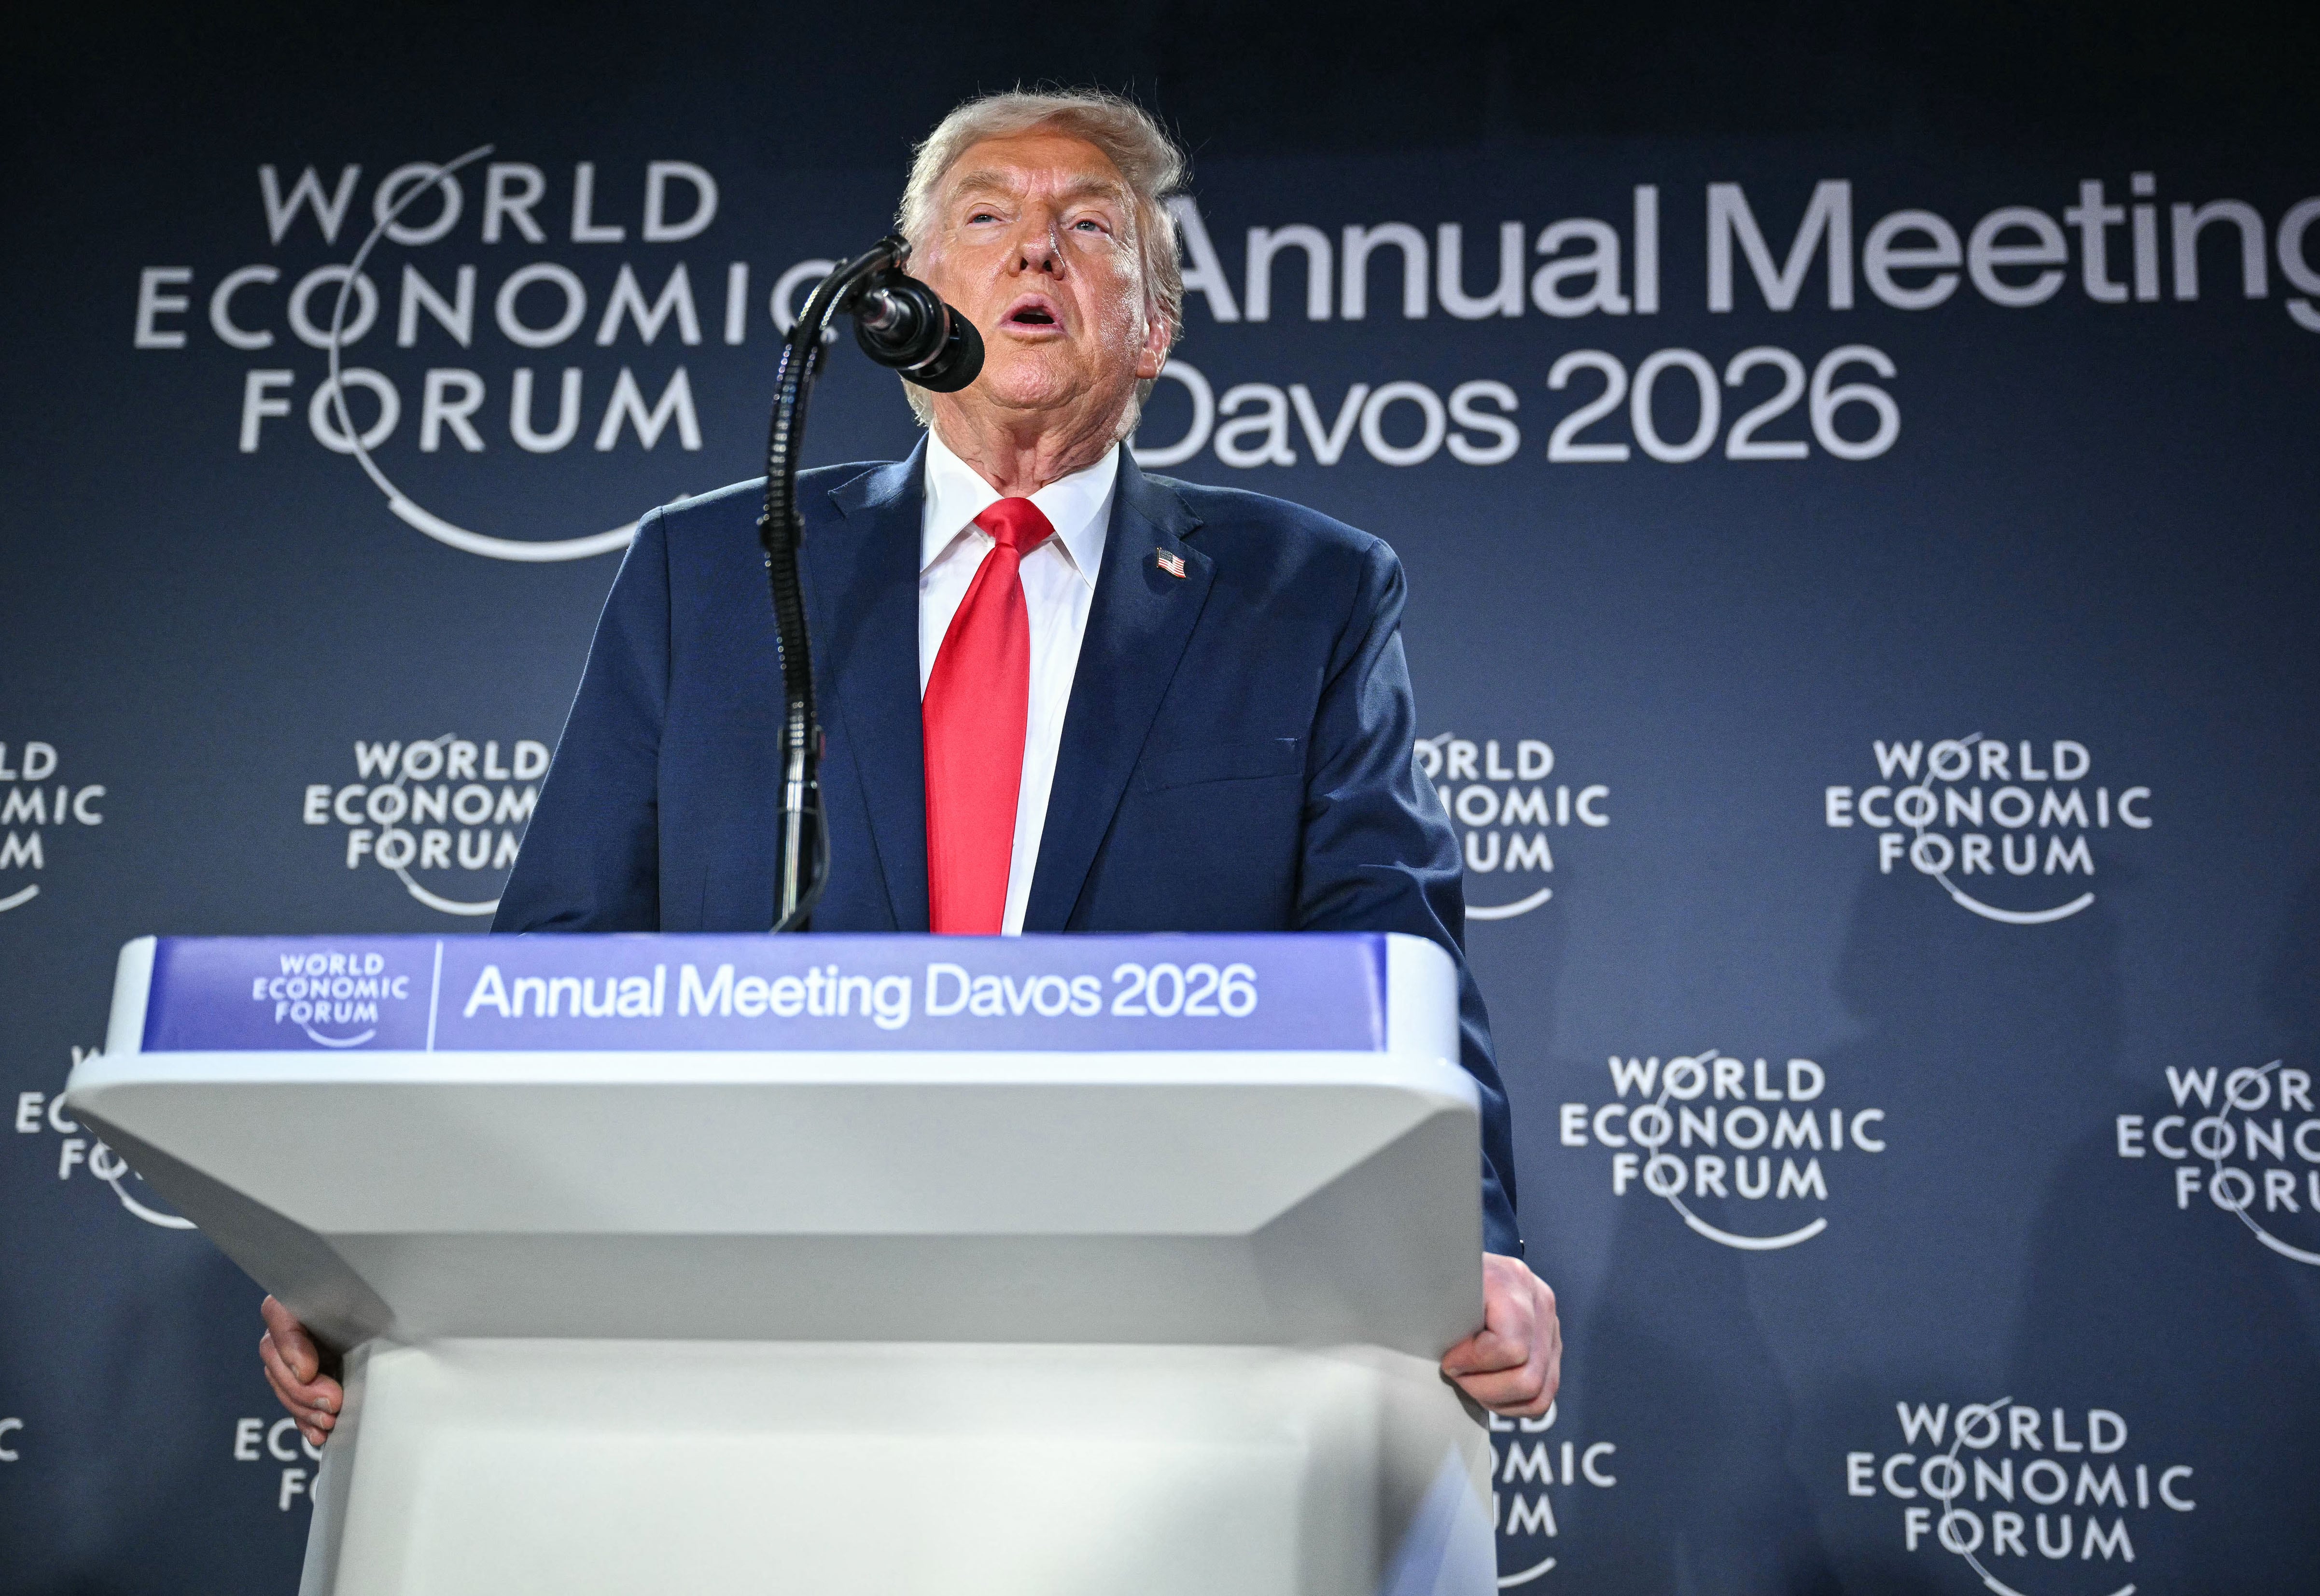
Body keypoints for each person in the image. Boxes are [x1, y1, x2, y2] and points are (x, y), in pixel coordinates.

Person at [260, 87, 1560, 1444]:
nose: (1034, 250)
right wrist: (398, 1258)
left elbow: (1390, 959)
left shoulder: (1305, 593)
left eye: (1089, 226)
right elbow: (558, 959)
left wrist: (1464, 1257)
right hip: (747, 1326)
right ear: (903, 309)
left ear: (1155, 331)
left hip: (1157, 1340)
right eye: (983, 218)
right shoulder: (707, 572)